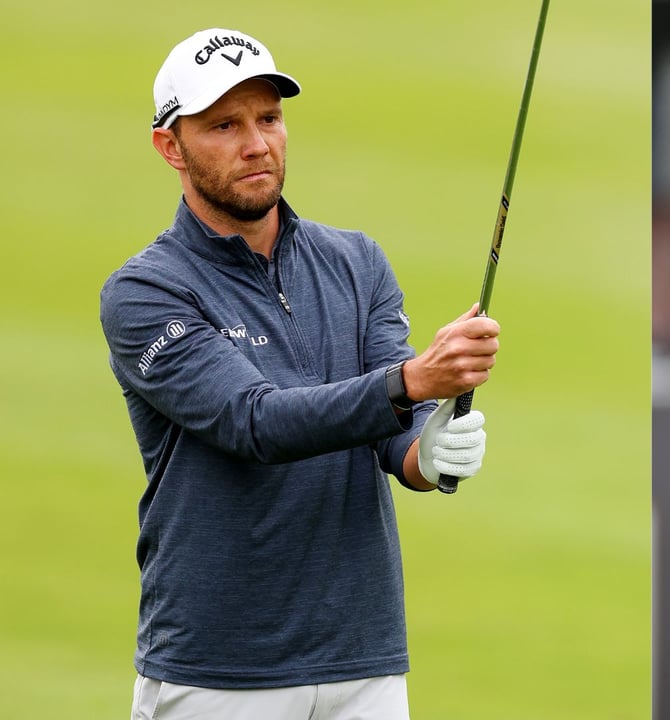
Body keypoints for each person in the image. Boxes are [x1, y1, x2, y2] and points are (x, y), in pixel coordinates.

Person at [100, 28, 500, 719]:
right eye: (224, 125)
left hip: (364, 661)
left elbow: (388, 435)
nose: (257, 143)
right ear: (172, 147)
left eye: (269, 118)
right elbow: (252, 422)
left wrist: (424, 457)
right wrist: (410, 384)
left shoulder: (357, 262)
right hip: (219, 667)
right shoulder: (146, 292)